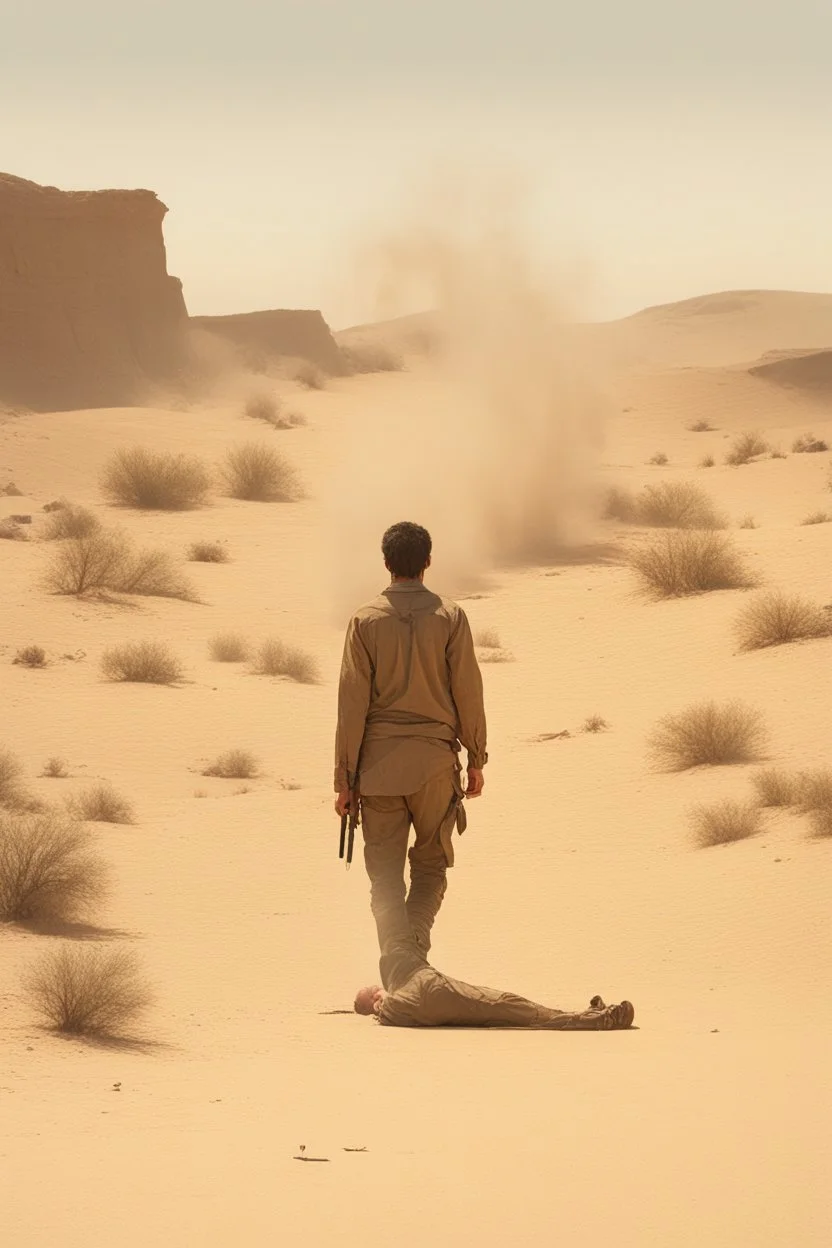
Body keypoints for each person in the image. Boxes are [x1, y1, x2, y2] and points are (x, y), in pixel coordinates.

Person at [334, 521, 487, 988]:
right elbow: (468, 692)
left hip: (377, 770)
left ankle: (403, 964)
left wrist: (345, 779)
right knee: (430, 864)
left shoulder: (365, 620)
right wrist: (477, 758)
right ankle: (411, 958)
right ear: (427, 562)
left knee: (384, 877)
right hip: (436, 765)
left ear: (386, 563)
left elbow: (351, 705)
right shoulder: (451, 617)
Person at [353, 951, 635, 1031]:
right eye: (370, 992)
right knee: (524, 1012)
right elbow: (389, 1009)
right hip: (460, 1003)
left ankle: (591, 1015)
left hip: (459, 1000)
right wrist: (381, 1002)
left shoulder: (398, 995)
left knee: (519, 1008)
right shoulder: (392, 1005)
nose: (374, 987)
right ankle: (600, 1019)